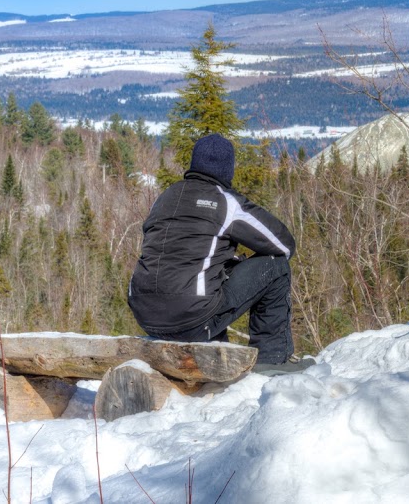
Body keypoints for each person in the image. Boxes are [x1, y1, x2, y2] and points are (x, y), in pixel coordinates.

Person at [129, 134, 307, 371]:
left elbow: (176, 253)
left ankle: (215, 344)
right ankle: (273, 360)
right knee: (275, 266)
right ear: (228, 169)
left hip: (146, 315)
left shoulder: (165, 198)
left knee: (207, 276)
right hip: (190, 320)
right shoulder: (226, 203)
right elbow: (284, 245)